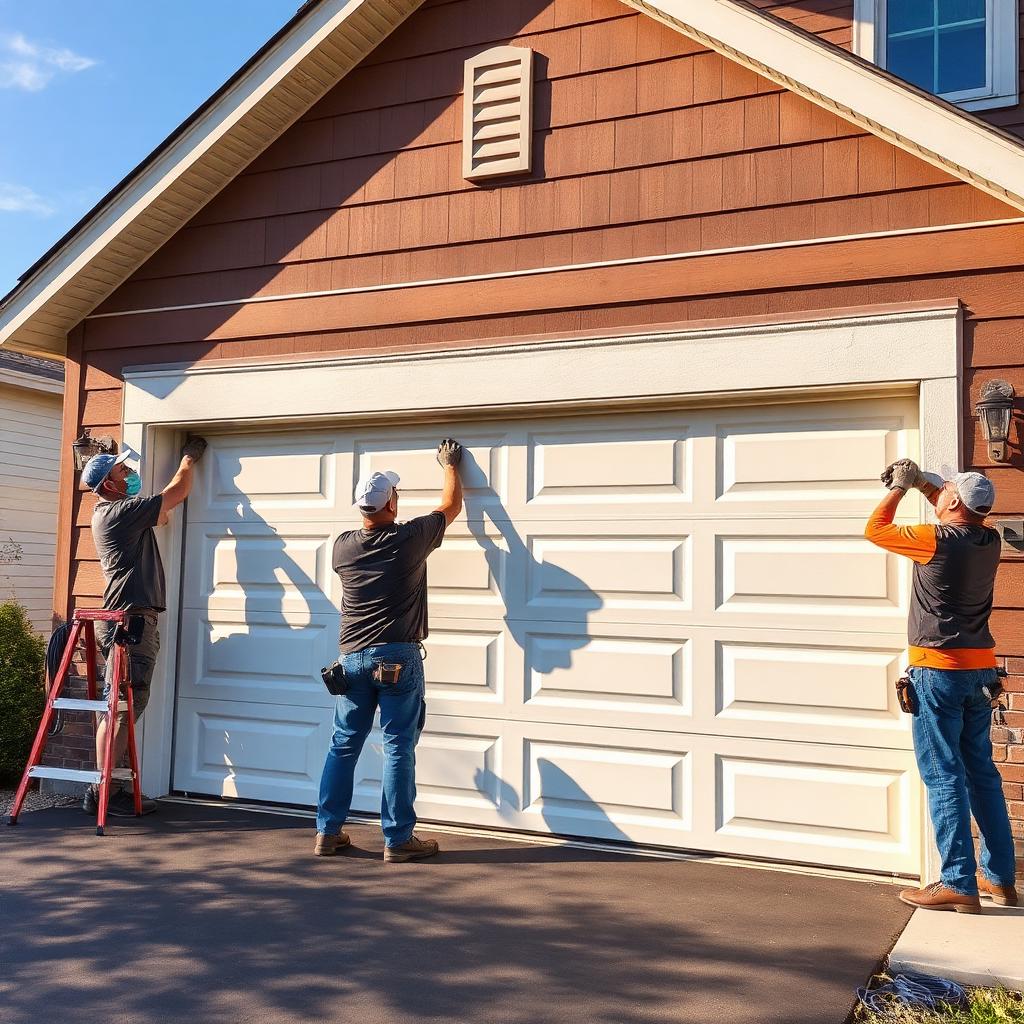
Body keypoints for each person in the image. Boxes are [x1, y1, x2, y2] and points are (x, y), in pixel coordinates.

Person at [865, 459, 1017, 912]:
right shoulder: (987, 539)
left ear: (953, 502)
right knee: (982, 774)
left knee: (943, 775)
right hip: (980, 671)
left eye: (945, 491)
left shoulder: (933, 540)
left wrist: (898, 487)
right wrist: (925, 484)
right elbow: (950, 502)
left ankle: (957, 883)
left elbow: (875, 528)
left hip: (939, 671)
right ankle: (999, 879)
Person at [315, 438, 464, 862]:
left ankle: (328, 832)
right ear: (391, 503)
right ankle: (397, 840)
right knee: (398, 745)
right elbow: (450, 507)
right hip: (397, 658)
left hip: (352, 660)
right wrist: (449, 464)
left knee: (343, 744)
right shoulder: (409, 539)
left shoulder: (343, 546)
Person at [79, 436, 208, 816]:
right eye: (123, 471)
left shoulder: (114, 514)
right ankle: (103, 789)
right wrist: (188, 459)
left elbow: (162, 515)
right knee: (122, 707)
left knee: (116, 706)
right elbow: (177, 493)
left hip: (123, 619)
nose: (131, 473)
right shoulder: (118, 512)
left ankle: (100, 785)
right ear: (109, 485)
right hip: (130, 622)